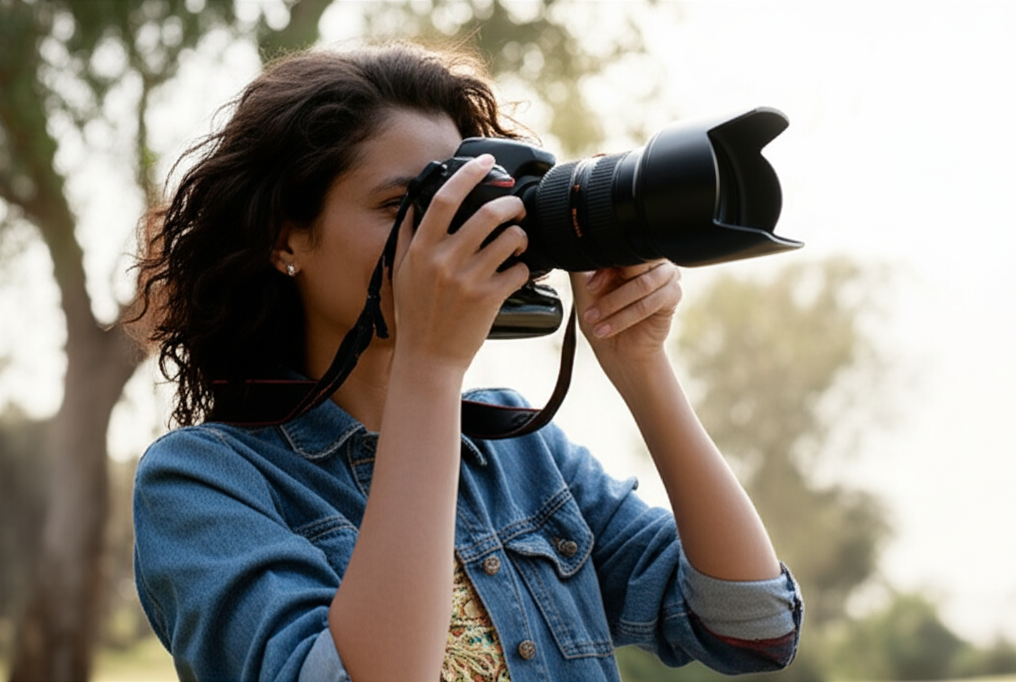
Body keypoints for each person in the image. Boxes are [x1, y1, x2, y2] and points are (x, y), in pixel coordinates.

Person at [130, 41, 803, 682]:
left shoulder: (517, 452)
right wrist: (428, 369)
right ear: (287, 240)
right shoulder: (203, 482)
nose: (443, 237)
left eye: (464, 203)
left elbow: (751, 624)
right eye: (402, 206)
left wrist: (640, 364)